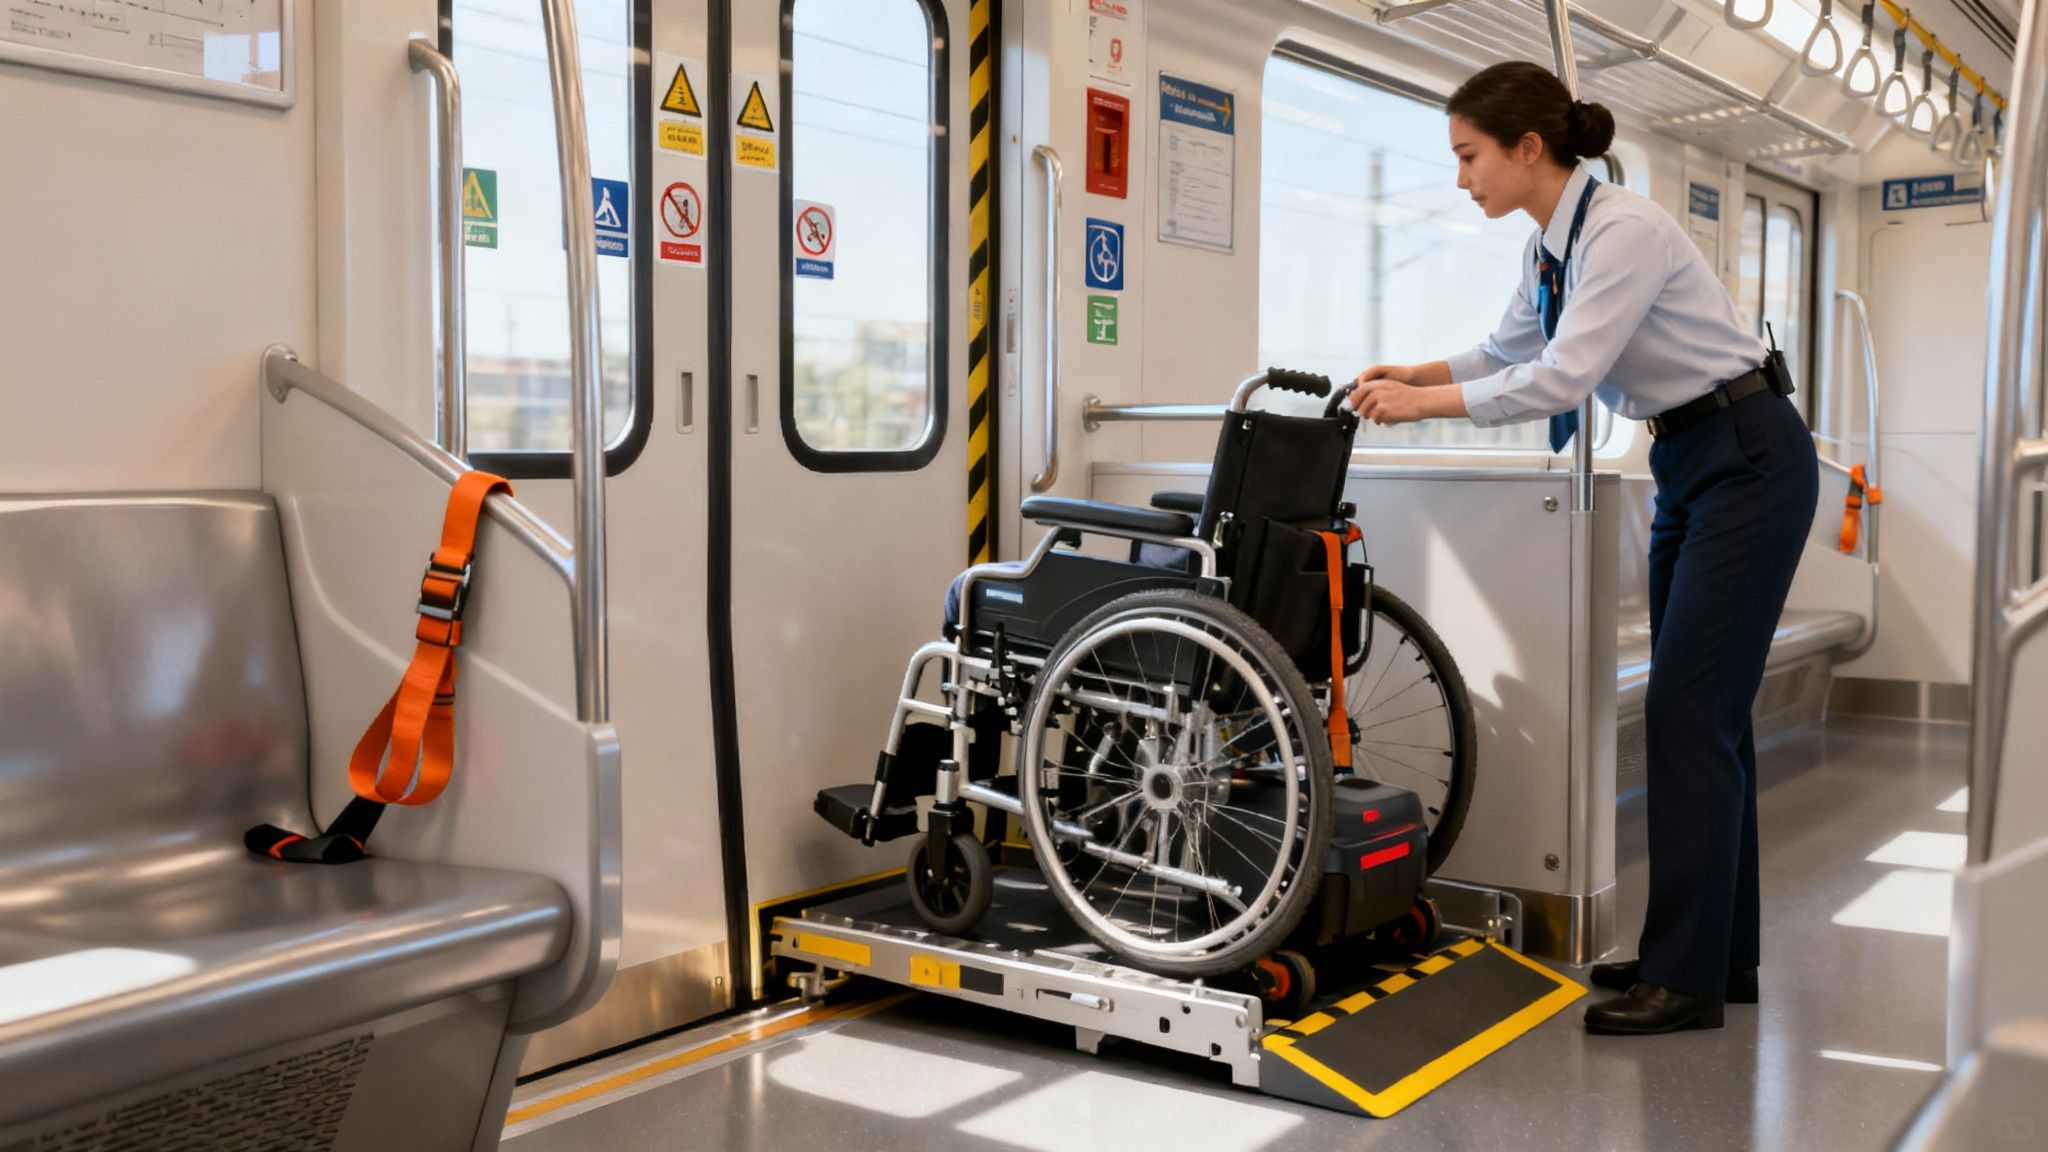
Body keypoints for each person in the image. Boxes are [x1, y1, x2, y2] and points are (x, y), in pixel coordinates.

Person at [1347, 61, 1818, 1035]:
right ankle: (1712, 957)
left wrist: (1417, 407)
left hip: (1746, 456)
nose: (1461, 177)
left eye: (1469, 156)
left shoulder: (1623, 233)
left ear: (1528, 148)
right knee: (1706, 719)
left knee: (1691, 711)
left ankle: (1684, 979)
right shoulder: (1547, 253)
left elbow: (1562, 379)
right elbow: (1504, 349)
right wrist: (1413, 369)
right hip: (1690, 460)